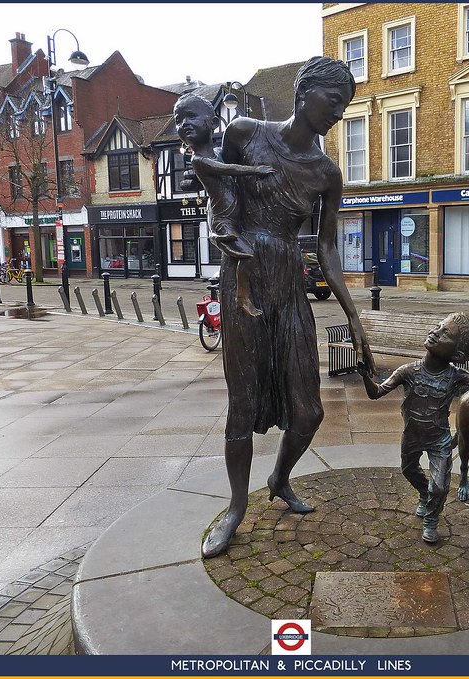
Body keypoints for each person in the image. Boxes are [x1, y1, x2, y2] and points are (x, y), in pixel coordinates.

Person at [201, 56, 375, 558]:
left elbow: (326, 247)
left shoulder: (326, 172)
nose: (339, 113)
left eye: (345, 106)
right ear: (305, 94)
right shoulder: (244, 133)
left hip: (290, 285)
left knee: (310, 410)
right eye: (334, 101)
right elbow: (220, 197)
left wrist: (353, 314)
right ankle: (236, 508)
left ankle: (279, 477)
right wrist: (223, 232)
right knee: (243, 401)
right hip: (246, 281)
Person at [357, 313, 469, 544]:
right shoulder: (407, 371)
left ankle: (431, 519)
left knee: (440, 487)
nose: (435, 332)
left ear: (458, 354)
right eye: (438, 327)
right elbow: (376, 393)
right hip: (411, 437)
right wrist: (364, 377)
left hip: (439, 440)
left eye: (445, 334)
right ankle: (424, 494)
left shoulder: (456, 376)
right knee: (409, 470)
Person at [174, 93, 274, 317]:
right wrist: (256, 170)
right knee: (247, 254)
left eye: (191, 116)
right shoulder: (198, 160)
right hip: (224, 220)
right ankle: (242, 297)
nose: (184, 124)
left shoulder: (220, 153)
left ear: (213, 124)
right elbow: (229, 170)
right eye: (178, 120)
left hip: (231, 215)